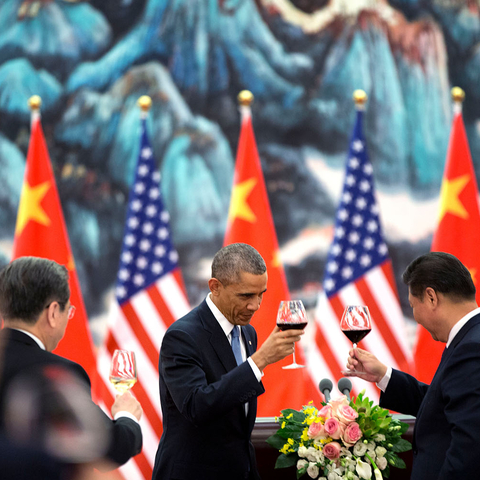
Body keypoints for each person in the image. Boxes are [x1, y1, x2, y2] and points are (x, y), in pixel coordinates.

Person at [152, 243, 305, 480]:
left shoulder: (248, 332)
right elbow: (197, 406)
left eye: (260, 294)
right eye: (245, 296)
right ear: (215, 287)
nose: (255, 306)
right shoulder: (182, 336)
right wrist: (259, 361)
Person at [345, 251, 480, 480]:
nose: (415, 318)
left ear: (431, 297)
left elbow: (470, 446)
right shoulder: (469, 338)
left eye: (412, 305)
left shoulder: (471, 349)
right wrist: (384, 375)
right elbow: (443, 405)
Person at [0, 256, 143, 469]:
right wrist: (126, 416)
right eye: (69, 311)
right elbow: (109, 449)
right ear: (53, 312)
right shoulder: (57, 373)